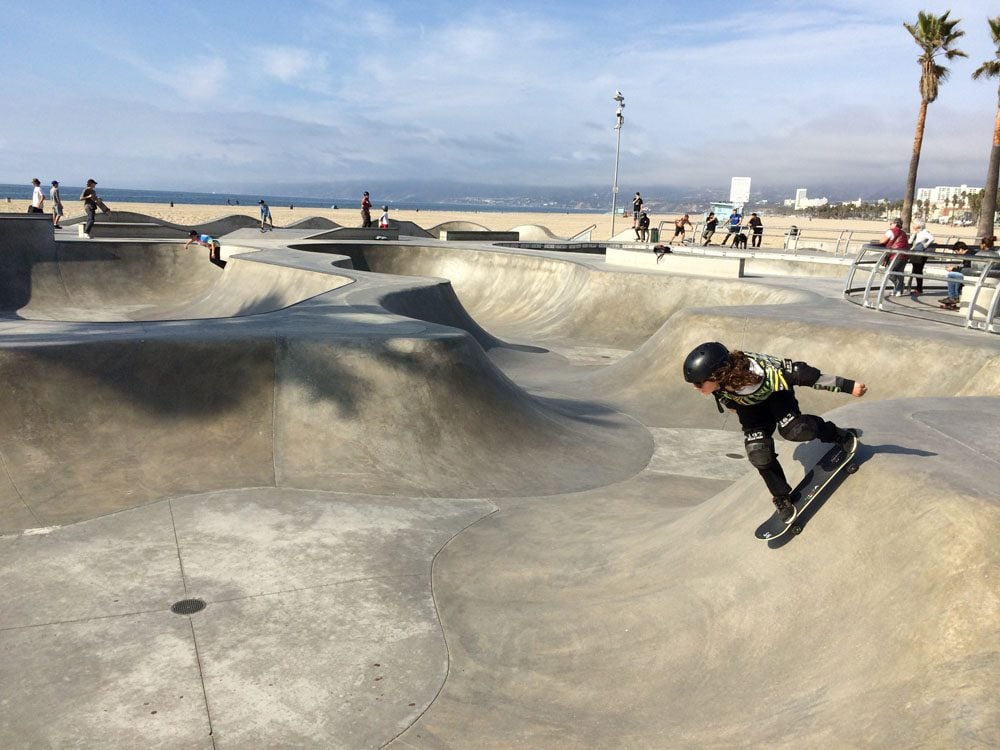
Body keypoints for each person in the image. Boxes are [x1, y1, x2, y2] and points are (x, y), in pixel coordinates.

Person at [683, 342, 866, 523]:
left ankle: (836, 434)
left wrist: (848, 386)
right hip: (750, 410)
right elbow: (730, 403)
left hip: (777, 397)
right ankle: (781, 497)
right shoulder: (719, 384)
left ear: (717, 374)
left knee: (796, 430)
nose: (695, 388)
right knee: (758, 452)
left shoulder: (769, 373)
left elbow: (809, 376)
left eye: (699, 383)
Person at [875, 218, 910, 297]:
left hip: (895, 255)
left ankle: (899, 286)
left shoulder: (890, 231)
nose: (890, 225)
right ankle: (898, 291)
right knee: (899, 273)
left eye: (891, 224)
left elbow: (882, 241)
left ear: (894, 224)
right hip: (905, 255)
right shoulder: (903, 233)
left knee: (889, 272)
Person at [908, 220, 935, 295]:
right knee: (917, 270)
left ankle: (919, 289)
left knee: (918, 270)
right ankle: (918, 288)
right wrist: (913, 234)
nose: (913, 226)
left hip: (920, 253)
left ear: (918, 226)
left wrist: (926, 244)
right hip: (916, 252)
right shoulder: (918, 233)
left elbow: (932, 238)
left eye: (914, 225)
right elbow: (910, 242)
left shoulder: (925, 232)